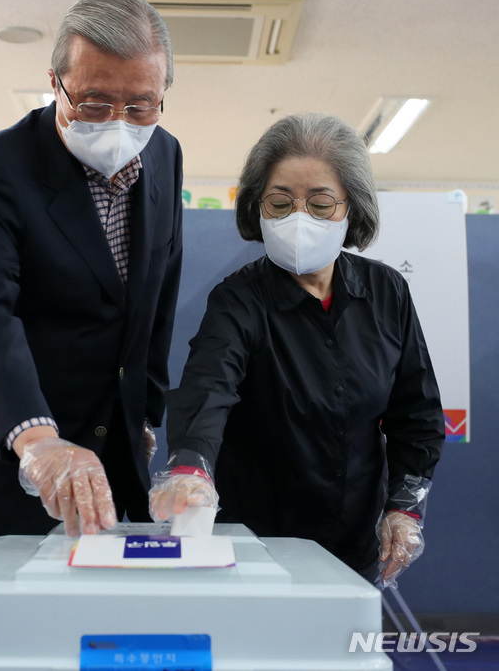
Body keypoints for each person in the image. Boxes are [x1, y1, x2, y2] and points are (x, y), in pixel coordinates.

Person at [0, 0, 183, 565]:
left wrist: (146, 413)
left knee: (89, 629)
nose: (118, 123)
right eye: (93, 101)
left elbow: (156, 295)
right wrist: (37, 440)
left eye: (140, 105)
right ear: (54, 82)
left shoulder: (165, 154)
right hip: (1, 436)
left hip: (107, 440)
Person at [150, 113, 444, 588]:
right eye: (280, 203)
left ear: (351, 209)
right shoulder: (239, 299)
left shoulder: (386, 292)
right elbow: (209, 387)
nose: (299, 218)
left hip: (353, 542)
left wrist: (404, 506)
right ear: (258, 208)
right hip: (257, 544)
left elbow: (417, 412)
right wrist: (190, 467)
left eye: (321, 203)